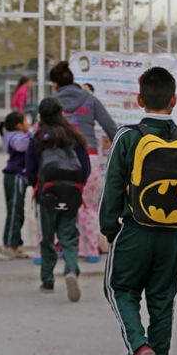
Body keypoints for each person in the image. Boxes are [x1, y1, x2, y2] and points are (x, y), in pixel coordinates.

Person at [101, 67, 177, 355]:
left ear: (139, 99)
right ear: (174, 100)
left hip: (134, 230)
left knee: (120, 289)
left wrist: (109, 229)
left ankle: (139, 347)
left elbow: (112, 188)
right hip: (172, 234)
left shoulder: (128, 137)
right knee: (163, 300)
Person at [50, 61, 117, 264]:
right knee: (89, 206)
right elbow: (111, 129)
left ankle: (63, 247)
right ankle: (90, 251)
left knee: (60, 205)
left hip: (59, 160)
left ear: (54, 85)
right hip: (89, 159)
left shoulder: (50, 103)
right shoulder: (90, 99)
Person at [25, 97, 90, 302]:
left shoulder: (38, 138)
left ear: (41, 116)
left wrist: (36, 184)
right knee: (68, 236)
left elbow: (30, 170)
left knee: (47, 237)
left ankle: (47, 280)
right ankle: (71, 270)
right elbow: (85, 168)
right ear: (61, 114)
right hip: (71, 192)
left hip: (48, 193)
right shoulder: (74, 137)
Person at [0, 111, 31, 259]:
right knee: (15, 211)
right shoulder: (15, 137)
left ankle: (14, 243)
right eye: (26, 121)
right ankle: (10, 245)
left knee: (16, 211)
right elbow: (22, 145)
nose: (28, 125)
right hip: (16, 176)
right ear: (19, 125)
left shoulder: (13, 135)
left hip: (16, 177)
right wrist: (35, 133)